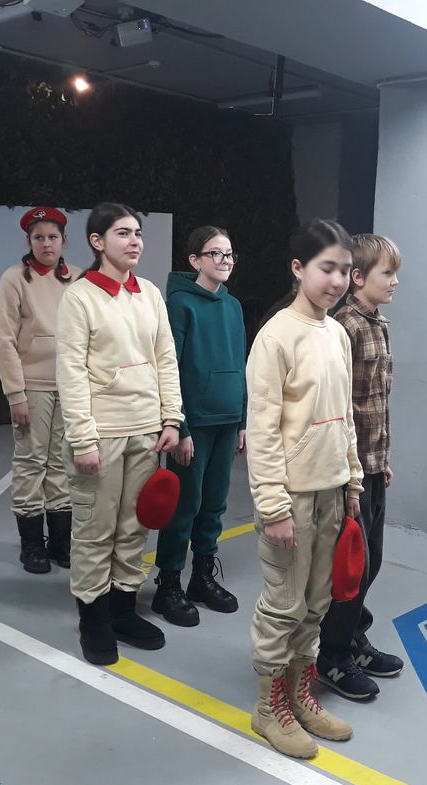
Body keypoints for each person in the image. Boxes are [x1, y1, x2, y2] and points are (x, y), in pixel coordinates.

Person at [247, 219, 364, 759]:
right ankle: (268, 707)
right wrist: (273, 507)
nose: (337, 280)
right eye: (326, 268)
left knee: (316, 604)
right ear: (298, 269)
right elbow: (263, 429)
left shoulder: (336, 333)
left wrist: (352, 479)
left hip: (332, 491)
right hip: (290, 496)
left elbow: (345, 417)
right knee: (284, 605)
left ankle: (299, 694)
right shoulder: (276, 336)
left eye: (345, 270)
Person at [56, 202, 183, 666]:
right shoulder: (80, 297)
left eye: (137, 233)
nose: (134, 242)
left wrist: (171, 418)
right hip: (102, 433)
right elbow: (71, 372)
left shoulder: (149, 293)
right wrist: (83, 439)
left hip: (146, 430)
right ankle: (93, 619)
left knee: (133, 527)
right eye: (123, 233)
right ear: (97, 242)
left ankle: (123, 610)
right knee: (95, 529)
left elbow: (165, 358)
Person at [317, 233, 404, 700]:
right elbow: (340, 407)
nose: (395, 281)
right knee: (352, 566)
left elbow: (377, 403)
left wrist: (380, 462)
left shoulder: (378, 323)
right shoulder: (343, 328)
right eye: (387, 273)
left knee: (372, 561)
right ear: (357, 277)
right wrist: (351, 472)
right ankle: (331, 656)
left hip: (373, 466)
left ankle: (353, 639)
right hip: (350, 472)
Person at [151, 226, 246, 626]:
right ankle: (168, 584)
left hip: (227, 420)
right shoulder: (179, 304)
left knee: (214, 504)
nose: (224, 261)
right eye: (215, 254)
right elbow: (169, 369)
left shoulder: (233, 305)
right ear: (195, 260)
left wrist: (242, 420)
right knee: (183, 506)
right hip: (194, 425)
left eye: (229, 254)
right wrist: (180, 426)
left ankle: (201, 577)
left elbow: (240, 364)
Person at [0, 206, 80, 574]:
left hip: (70, 386)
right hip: (32, 387)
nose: (46, 244)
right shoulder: (15, 279)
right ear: (29, 241)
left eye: (53, 237)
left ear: (64, 241)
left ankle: (61, 542)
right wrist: (15, 394)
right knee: (31, 462)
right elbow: (3, 340)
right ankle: (32, 545)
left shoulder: (78, 279)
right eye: (39, 237)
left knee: (63, 463)